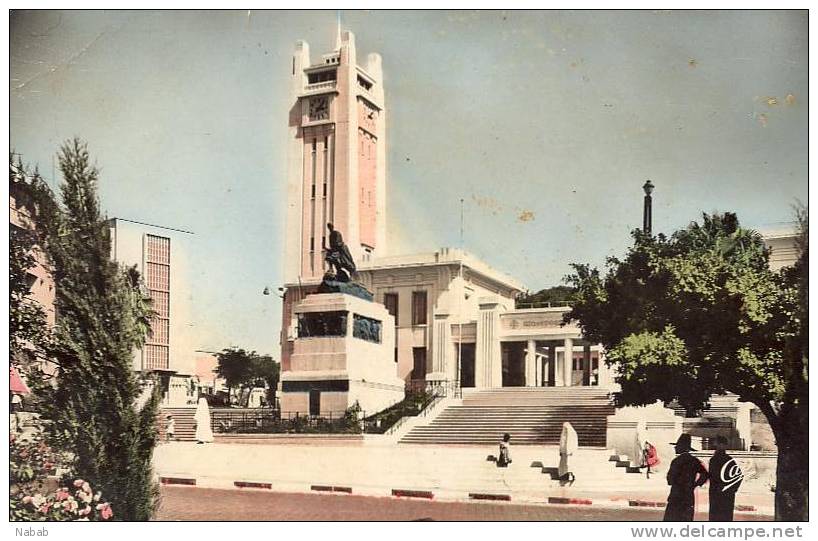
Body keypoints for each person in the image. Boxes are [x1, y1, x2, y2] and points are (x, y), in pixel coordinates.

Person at [664, 433, 709, 521]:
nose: (675, 448)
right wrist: (695, 484)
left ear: (681, 447)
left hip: (676, 495)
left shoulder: (676, 461)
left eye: (677, 446)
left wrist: (675, 482)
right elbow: (705, 474)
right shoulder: (694, 461)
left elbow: (670, 479)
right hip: (688, 494)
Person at [708, 435, 743, 521]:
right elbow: (739, 476)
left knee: (715, 517)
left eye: (717, 444)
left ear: (721, 445)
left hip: (716, 492)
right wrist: (733, 489)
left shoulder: (714, 459)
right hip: (727, 493)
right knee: (726, 517)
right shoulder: (729, 460)